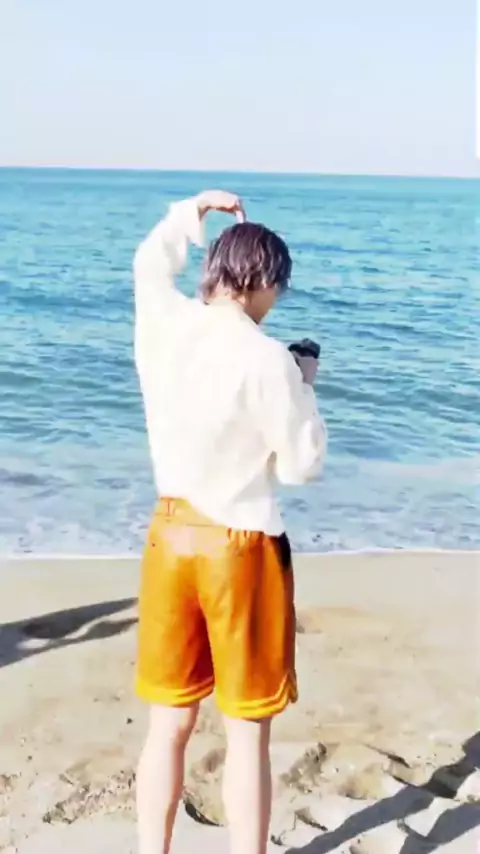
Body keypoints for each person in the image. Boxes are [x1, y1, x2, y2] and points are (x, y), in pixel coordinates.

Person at [133, 189, 327, 854]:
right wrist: (304, 386)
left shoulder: (164, 324)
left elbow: (148, 265)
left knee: (167, 725)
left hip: (170, 536)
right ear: (264, 281)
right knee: (247, 733)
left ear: (216, 271)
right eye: (278, 289)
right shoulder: (267, 359)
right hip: (239, 548)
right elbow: (301, 465)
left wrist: (190, 210)